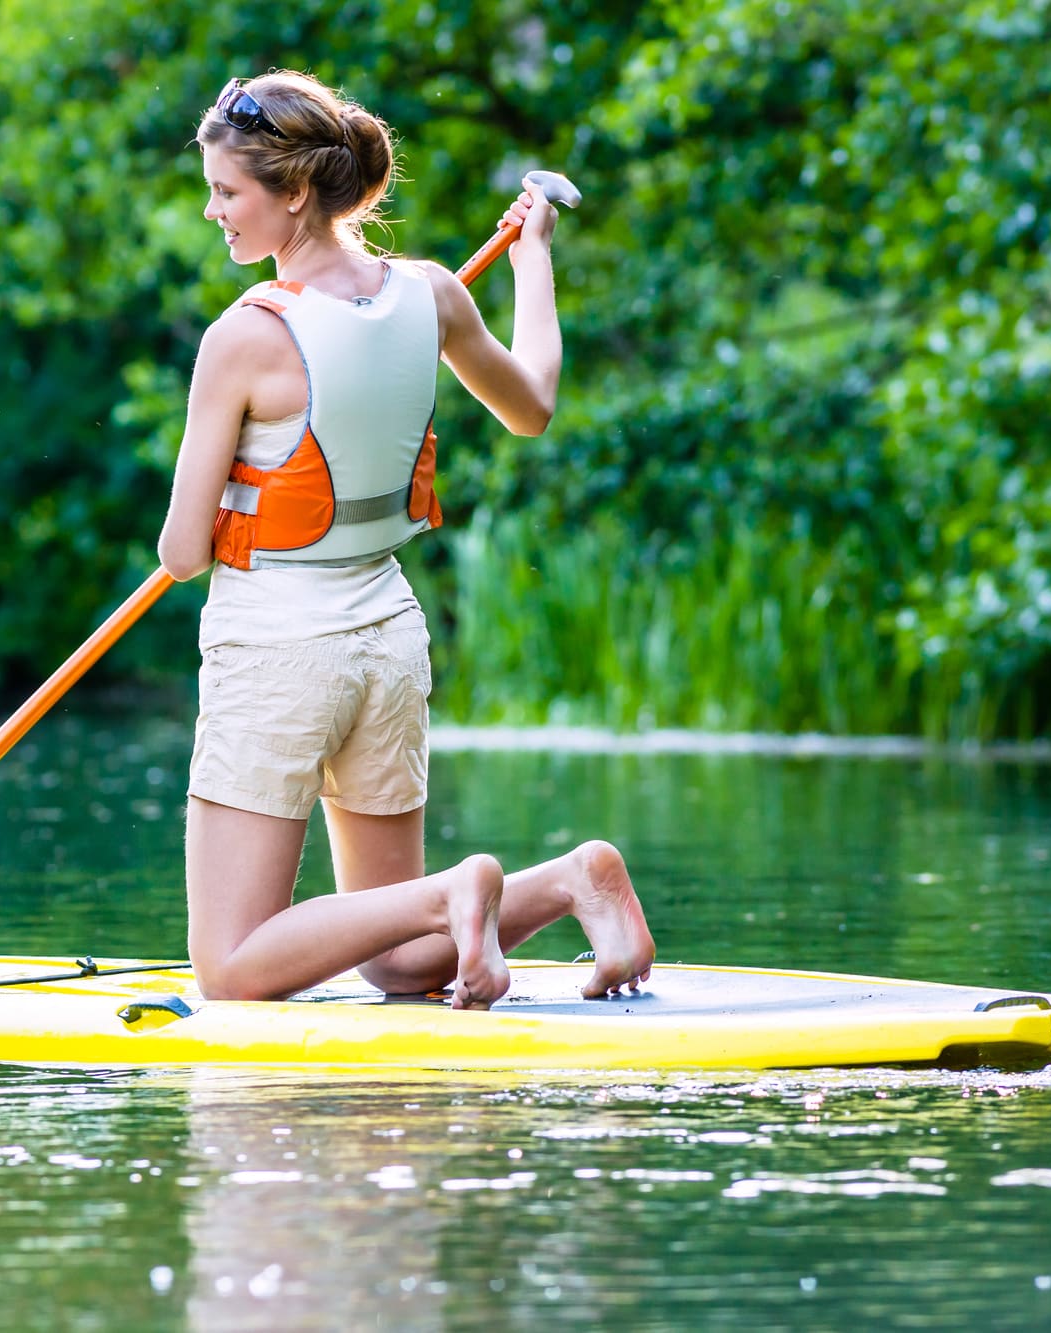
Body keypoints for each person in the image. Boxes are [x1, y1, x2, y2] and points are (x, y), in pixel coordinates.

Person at [156, 70, 654, 1009]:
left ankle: (454, 888)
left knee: (228, 967)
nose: (214, 212)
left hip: (278, 651)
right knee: (398, 958)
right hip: (387, 638)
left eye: (228, 192)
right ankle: (569, 882)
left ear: (293, 192)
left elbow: (182, 554)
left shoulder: (243, 337)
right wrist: (532, 257)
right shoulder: (429, 294)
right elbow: (533, 405)